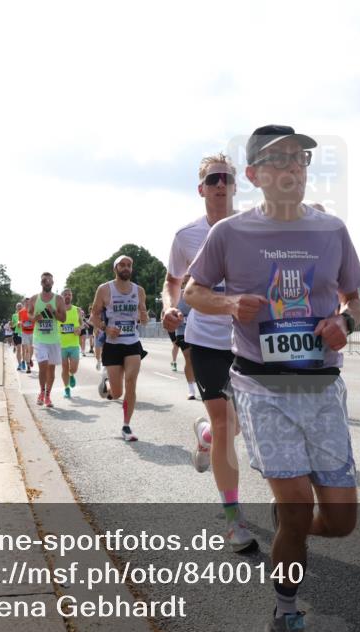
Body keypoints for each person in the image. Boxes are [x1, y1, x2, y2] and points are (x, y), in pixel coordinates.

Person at [186, 125, 360, 632]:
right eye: (279, 159)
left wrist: (344, 324)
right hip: (261, 385)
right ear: (255, 174)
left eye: (301, 158)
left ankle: (291, 528)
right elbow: (193, 290)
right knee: (296, 509)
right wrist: (229, 303)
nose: (293, 167)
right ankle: (285, 613)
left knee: (341, 522)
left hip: (322, 386)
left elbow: (354, 298)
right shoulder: (230, 233)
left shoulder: (332, 230)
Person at [163, 152, 255, 552]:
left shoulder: (254, 228)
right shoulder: (186, 236)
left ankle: (203, 437)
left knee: (236, 426)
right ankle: (233, 519)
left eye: (226, 178)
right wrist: (170, 306)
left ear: (236, 185)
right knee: (224, 423)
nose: (220, 184)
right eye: (213, 179)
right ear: (201, 189)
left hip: (248, 340)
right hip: (205, 340)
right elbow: (173, 280)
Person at [89, 255, 149, 441]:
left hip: (132, 343)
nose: (126, 268)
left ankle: (126, 426)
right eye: (122, 265)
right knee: (117, 394)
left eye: (129, 265)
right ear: (115, 268)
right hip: (113, 345)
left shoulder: (139, 290)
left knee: (131, 381)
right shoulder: (105, 289)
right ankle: (107, 382)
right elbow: (93, 317)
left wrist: (144, 317)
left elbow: (143, 314)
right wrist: (106, 328)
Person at [31, 272, 67, 408]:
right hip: (39, 339)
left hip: (54, 340)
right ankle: (41, 392)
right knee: (43, 366)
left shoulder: (58, 299)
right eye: (44, 280)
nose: (47, 282)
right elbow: (29, 317)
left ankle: (47, 395)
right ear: (41, 283)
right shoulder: (35, 299)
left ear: (53, 283)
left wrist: (53, 311)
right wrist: (36, 318)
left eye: (49, 280)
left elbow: (63, 318)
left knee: (51, 370)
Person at [59, 288, 83, 399]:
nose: (67, 296)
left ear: (71, 296)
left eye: (69, 294)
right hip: (61, 345)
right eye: (65, 294)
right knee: (64, 368)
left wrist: (79, 329)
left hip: (74, 344)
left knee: (74, 368)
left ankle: (71, 374)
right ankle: (66, 389)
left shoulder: (77, 310)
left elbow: (82, 324)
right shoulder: (57, 311)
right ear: (61, 297)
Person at [20, 298, 35, 373]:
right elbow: (20, 320)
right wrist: (19, 323)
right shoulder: (21, 312)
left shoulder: (33, 311)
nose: (27, 304)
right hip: (25, 333)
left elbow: (36, 320)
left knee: (31, 349)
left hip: (33, 332)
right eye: (25, 302)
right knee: (27, 350)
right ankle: (28, 366)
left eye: (28, 302)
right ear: (23, 303)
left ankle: (29, 359)